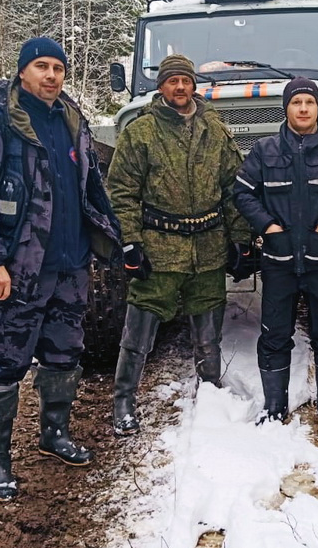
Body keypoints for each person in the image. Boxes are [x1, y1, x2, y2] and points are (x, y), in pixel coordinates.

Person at [0, 36, 121, 501]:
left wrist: (112, 239)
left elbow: (92, 188)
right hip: (19, 268)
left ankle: (54, 434)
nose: (51, 75)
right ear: (23, 71)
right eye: (41, 66)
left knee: (64, 354)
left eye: (58, 68)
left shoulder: (71, 119)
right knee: (4, 363)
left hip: (70, 264)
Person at [107, 54, 252, 437]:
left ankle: (210, 394)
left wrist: (239, 239)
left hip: (207, 246)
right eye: (172, 81)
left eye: (185, 81)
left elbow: (233, 189)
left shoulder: (214, 130)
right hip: (160, 246)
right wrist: (131, 243)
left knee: (208, 332)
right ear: (162, 87)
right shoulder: (140, 133)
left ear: (194, 85)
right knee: (139, 330)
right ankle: (123, 400)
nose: (180, 88)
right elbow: (121, 192)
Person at [234, 77, 318, 438]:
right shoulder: (265, 150)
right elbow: (243, 192)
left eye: (309, 102)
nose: (304, 109)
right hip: (278, 264)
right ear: (287, 109)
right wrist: (268, 228)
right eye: (297, 103)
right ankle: (274, 408)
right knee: (274, 335)